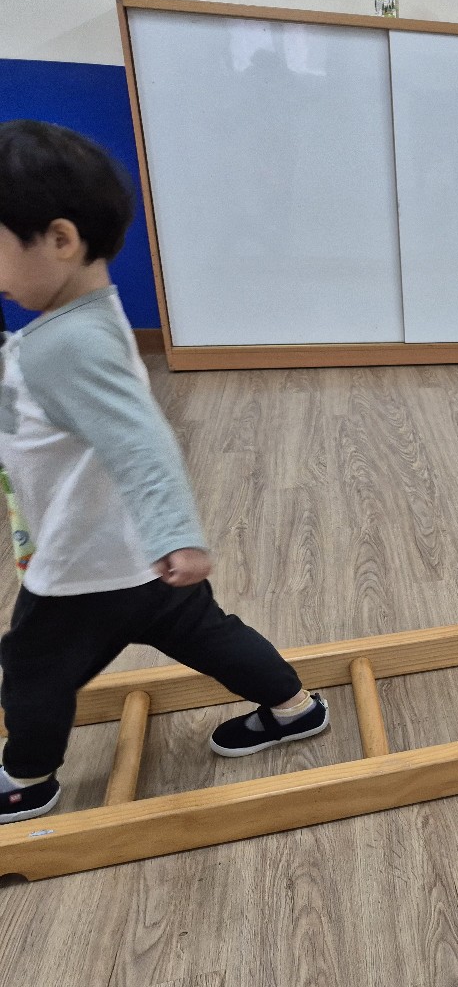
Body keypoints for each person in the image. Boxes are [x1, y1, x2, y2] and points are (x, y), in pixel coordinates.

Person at [0, 119, 329, 824]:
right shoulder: (86, 317)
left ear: (60, 240)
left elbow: (140, 440)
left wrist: (177, 529)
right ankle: (293, 707)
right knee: (211, 636)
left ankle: (27, 779)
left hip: (87, 564)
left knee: (31, 666)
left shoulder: (66, 346)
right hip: (137, 555)